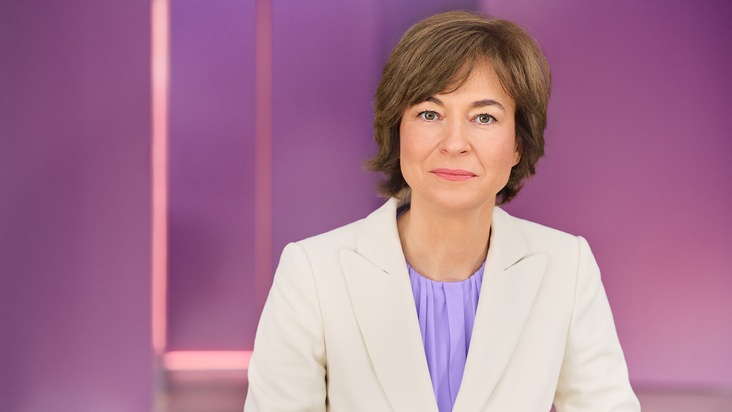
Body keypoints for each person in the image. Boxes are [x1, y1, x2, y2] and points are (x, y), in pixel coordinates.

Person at [244, 10, 640, 412]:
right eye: (430, 114)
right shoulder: (312, 273)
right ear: (397, 130)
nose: (454, 143)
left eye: (484, 117)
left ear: (518, 145)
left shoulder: (567, 268)